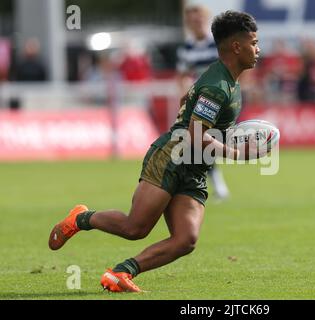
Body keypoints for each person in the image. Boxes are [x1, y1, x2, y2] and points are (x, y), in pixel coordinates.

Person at [48, 10, 260, 293]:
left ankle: (121, 273)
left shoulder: (225, 80)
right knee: (135, 229)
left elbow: (189, 100)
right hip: (172, 157)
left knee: (186, 239)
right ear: (236, 46)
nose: (258, 50)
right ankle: (81, 218)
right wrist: (236, 152)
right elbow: (195, 134)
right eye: (254, 43)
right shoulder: (218, 85)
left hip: (194, 167)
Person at [177, 3, 230, 201]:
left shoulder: (216, 43)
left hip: (219, 98)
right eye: (191, 20)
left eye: (198, 18)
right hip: (200, 101)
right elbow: (182, 75)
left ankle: (210, 183)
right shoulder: (186, 48)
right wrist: (185, 93)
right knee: (201, 141)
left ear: (205, 20)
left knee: (204, 141)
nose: (195, 22)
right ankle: (214, 185)